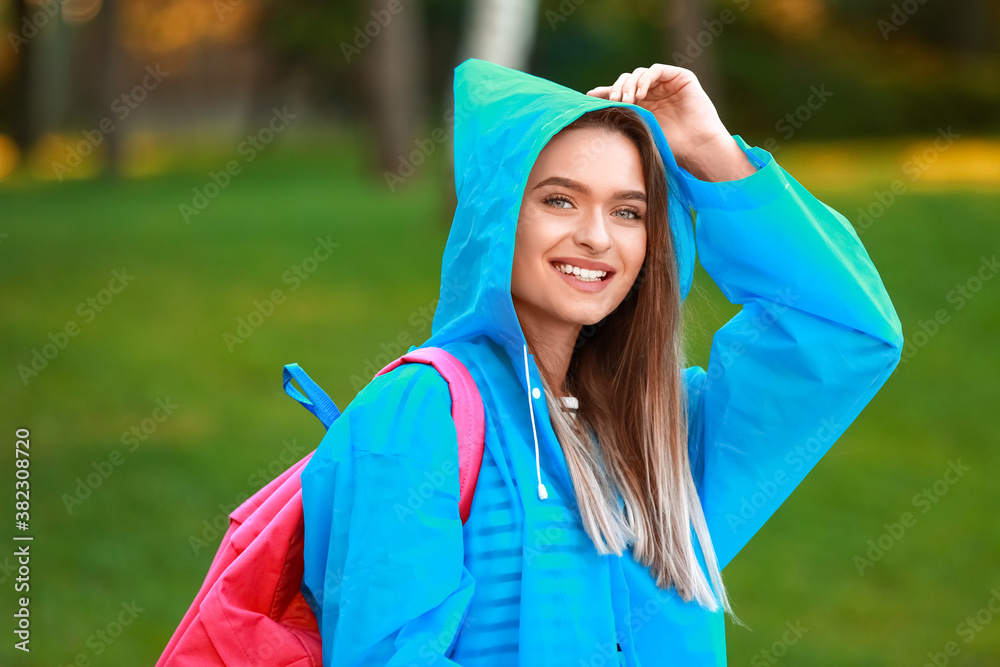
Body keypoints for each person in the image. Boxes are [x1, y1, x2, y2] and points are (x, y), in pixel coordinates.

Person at [299, 58, 903, 666]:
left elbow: (842, 331)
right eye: (560, 200)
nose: (597, 237)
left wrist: (708, 151)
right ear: (498, 215)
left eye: (628, 211)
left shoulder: (663, 433)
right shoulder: (419, 415)